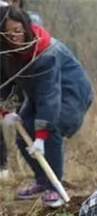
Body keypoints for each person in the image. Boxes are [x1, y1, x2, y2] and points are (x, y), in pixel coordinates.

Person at [0, 5, 92, 207]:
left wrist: (41, 136)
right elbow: (5, 82)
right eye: (8, 32)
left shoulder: (45, 53)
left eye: (17, 30)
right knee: (22, 135)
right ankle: (42, 181)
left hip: (70, 92)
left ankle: (54, 188)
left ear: (25, 27)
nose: (14, 36)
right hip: (37, 94)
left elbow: (50, 97)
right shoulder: (6, 52)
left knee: (51, 129)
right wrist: (5, 110)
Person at [0, 0, 42, 180]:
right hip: (7, 76)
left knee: (28, 124)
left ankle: (44, 176)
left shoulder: (29, 19)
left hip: (21, 78)